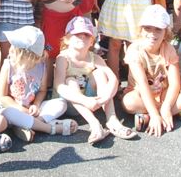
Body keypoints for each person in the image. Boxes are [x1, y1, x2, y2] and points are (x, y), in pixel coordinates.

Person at [53, 16, 136, 144]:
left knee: (99, 73)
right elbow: (59, 86)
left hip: (94, 100)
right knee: (70, 80)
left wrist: (105, 98)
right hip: (72, 103)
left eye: (86, 35)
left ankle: (112, 119)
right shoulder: (63, 58)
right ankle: (94, 124)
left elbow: (113, 79)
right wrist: (85, 100)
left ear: (92, 41)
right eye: (77, 34)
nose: (82, 37)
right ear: (67, 39)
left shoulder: (94, 57)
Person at [0, 26, 75, 142]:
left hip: (31, 110)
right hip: (11, 108)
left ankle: (28, 124)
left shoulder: (41, 67)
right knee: (7, 113)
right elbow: (2, 97)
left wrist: (36, 104)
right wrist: (20, 109)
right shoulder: (8, 65)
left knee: (61, 103)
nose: (10, 47)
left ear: (25, 53)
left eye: (14, 45)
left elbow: (42, 90)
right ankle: (48, 128)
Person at [121, 5, 181, 137]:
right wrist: (155, 114)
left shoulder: (169, 49)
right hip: (140, 94)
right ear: (141, 30)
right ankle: (171, 112)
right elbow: (142, 84)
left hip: (164, 94)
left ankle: (156, 113)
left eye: (158, 29)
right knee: (128, 102)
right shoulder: (134, 50)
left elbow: (175, 83)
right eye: (147, 28)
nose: (152, 33)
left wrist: (166, 106)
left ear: (166, 32)